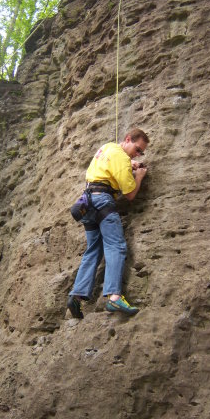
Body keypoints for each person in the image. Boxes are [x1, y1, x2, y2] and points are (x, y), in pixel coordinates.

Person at [67, 127, 149, 318]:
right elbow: (129, 194)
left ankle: (76, 296)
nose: (138, 153)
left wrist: (130, 163)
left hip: (87, 202)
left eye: (141, 152)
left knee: (93, 249)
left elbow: (114, 164)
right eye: (137, 149)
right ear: (127, 139)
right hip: (103, 200)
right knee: (116, 245)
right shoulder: (120, 156)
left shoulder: (107, 148)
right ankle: (114, 297)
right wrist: (139, 177)